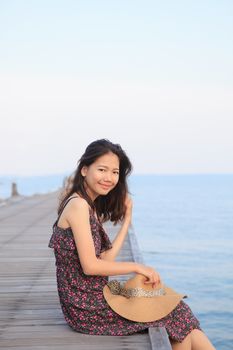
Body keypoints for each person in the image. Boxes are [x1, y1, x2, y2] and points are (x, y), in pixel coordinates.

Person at [48, 139, 215, 350]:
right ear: (84, 170)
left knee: (177, 313)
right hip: (86, 308)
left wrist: (127, 218)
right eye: (102, 170)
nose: (109, 178)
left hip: (94, 297)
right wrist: (138, 267)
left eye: (115, 172)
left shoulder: (88, 205)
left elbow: (105, 260)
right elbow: (91, 266)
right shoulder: (78, 205)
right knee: (175, 312)